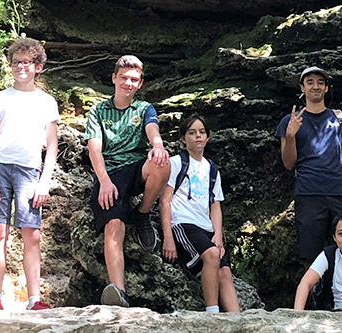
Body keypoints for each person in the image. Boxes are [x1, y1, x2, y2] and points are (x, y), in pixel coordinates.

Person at [0, 37, 58, 311]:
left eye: (27, 62)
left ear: (38, 66)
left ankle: (34, 298)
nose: (21, 67)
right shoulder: (0, 98)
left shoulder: (47, 102)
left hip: (30, 171)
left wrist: (44, 181)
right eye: (16, 62)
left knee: (31, 234)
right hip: (0, 168)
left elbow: (53, 145)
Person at [85, 55, 171, 307]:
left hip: (136, 168)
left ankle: (143, 213)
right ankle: (119, 293)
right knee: (114, 225)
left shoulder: (144, 109)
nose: (128, 83)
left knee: (163, 162)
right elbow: (94, 149)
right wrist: (104, 181)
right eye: (123, 78)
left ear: (140, 83)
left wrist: (158, 146)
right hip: (109, 172)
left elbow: (153, 131)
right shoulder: (98, 110)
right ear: (114, 78)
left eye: (133, 79)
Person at [274, 66, 342, 268]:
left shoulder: (341, 118)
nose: (315, 86)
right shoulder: (290, 121)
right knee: (312, 256)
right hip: (309, 194)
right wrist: (290, 136)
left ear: (326, 88)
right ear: (302, 88)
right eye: (310, 82)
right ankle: (318, 298)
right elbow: (288, 164)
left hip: (340, 193)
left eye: (320, 82)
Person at [159, 114, 241, 313]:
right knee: (211, 255)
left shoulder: (212, 169)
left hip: (205, 227)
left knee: (225, 272)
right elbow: (164, 200)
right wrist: (168, 237)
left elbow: (215, 206)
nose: (198, 136)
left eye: (202, 132)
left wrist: (218, 235)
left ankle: (237, 319)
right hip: (183, 224)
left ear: (207, 137)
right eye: (192, 132)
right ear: (182, 138)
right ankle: (211, 313)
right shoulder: (177, 163)